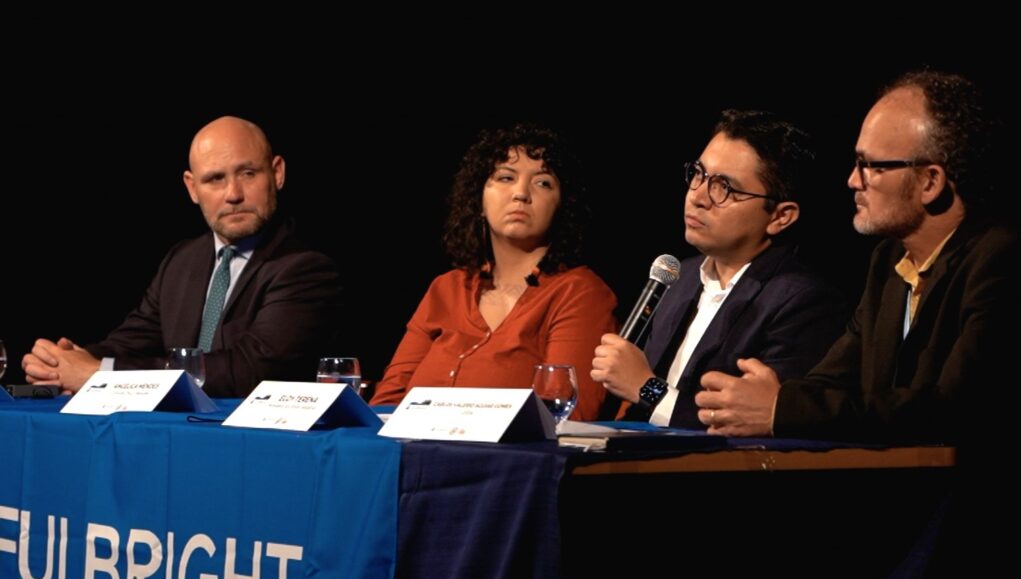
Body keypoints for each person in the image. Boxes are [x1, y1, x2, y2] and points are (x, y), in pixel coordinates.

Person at [696, 71, 1020, 579]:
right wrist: (761, 397)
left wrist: (782, 407)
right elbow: (830, 381)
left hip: (975, 540)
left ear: (930, 182)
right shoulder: (886, 266)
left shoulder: (998, 259)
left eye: (870, 166)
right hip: (891, 528)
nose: (852, 182)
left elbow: (948, 409)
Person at [21, 116, 343, 397]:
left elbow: (247, 372)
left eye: (247, 173)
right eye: (215, 179)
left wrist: (101, 373)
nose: (233, 194)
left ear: (277, 173)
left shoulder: (306, 267)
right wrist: (61, 363)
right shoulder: (182, 261)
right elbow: (129, 343)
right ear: (192, 188)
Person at [590, 110, 845, 428]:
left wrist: (646, 389)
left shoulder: (803, 302)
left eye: (725, 188)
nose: (697, 196)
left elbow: (750, 425)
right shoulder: (678, 277)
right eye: (699, 174)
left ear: (780, 216)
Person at [371, 123, 616, 420]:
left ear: (563, 206)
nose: (521, 194)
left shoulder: (579, 292)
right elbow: (386, 403)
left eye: (542, 183)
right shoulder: (446, 288)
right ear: (479, 200)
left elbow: (568, 417)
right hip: (414, 458)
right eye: (505, 177)